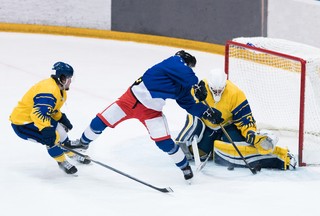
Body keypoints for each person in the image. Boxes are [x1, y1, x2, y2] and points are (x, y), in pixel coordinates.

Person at [65, 50, 223, 181]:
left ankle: (184, 167)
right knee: (101, 120)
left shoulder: (182, 85)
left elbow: (189, 104)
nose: (191, 71)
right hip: (129, 101)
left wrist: (206, 112)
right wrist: (197, 83)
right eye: (190, 68)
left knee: (164, 143)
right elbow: (183, 70)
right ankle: (83, 143)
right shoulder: (173, 62)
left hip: (151, 112)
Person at [176, 68, 297, 171]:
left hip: (226, 127)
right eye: (214, 90)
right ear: (208, 85)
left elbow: (244, 118)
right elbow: (188, 106)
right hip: (206, 127)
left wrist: (250, 132)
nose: (217, 93)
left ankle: (279, 156)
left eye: (220, 90)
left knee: (235, 149)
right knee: (200, 153)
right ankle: (193, 145)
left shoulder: (235, 93)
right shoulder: (198, 89)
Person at [9, 62, 90, 175]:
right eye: (68, 78)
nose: (70, 81)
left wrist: (60, 118)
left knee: (61, 131)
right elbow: (38, 113)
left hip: (34, 117)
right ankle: (62, 162)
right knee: (53, 138)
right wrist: (47, 131)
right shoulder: (49, 90)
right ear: (61, 78)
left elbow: (50, 109)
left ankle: (72, 154)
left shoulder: (59, 89)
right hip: (23, 123)